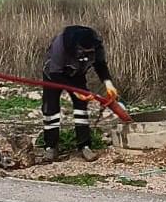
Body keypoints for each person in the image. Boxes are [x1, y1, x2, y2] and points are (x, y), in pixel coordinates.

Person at [41, 25, 119, 162]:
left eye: (90, 50)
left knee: (81, 108)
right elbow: (55, 72)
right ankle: (50, 147)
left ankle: (84, 146)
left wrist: (108, 83)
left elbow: (100, 65)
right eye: (84, 50)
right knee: (51, 110)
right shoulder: (61, 44)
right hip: (54, 75)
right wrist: (74, 91)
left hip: (77, 74)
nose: (87, 53)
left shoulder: (96, 44)